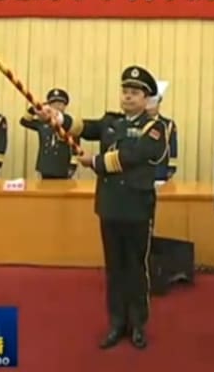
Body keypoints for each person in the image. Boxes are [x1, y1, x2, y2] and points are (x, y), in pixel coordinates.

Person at [43, 65, 167, 350]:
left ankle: (138, 324)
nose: (128, 97)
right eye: (125, 91)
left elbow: (137, 155)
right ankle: (116, 323)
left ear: (147, 98)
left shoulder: (155, 127)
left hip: (137, 208)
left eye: (134, 92)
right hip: (110, 207)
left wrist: (95, 163)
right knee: (114, 268)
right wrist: (57, 117)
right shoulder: (112, 122)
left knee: (136, 267)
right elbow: (85, 127)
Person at [20, 88, 79, 179]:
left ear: (65, 106)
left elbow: (76, 146)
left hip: (62, 167)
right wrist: (33, 109)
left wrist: (73, 165)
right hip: (45, 166)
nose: (57, 107)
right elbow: (24, 121)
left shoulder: (69, 124)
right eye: (53, 104)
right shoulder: (43, 122)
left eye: (60, 104)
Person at [146, 93, 178, 181]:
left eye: (153, 102)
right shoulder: (137, 123)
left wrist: (171, 168)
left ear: (158, 104)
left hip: (160, 171)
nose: (150, 106)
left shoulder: (168, 124)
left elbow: (172, 147)